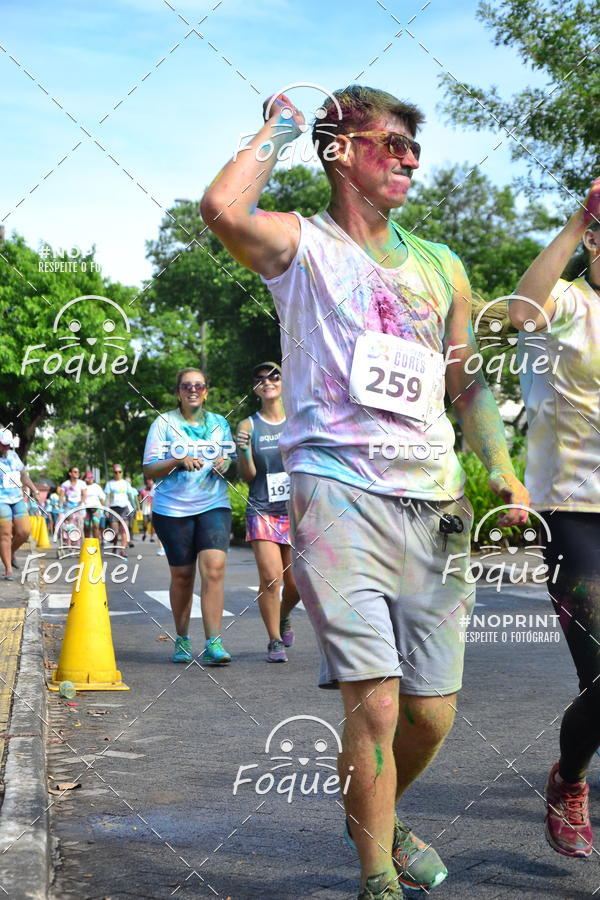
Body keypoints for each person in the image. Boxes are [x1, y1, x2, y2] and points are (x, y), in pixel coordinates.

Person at [201, 85, 529, 900]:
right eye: (390, 143)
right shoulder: (300, 247)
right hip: (336, 495)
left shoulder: (441, 265)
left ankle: (382, 817)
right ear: (340, 151)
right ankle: (376, 877)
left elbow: (469, 388)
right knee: (377, 709)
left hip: (438, 504)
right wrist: (281, 128)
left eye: (414, 147)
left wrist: (504, 472)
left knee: (430, 715)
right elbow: (220, 207)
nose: (409, 158)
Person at [510, 178, 600, 860]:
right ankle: (569, 780)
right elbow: (519, 310)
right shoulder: (568, 301)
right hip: (573, 510)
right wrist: (578, 218)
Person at [143, 368, 235, 665]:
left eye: (198, 385)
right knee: (182, 576)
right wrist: (177, 461)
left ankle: (214, 642)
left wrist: (226, 462)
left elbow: (228, 457)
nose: (193, 390)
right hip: (173, 510)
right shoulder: (164, 423)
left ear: (206, 391)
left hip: (213, 504)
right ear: (178, 392)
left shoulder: (219, 424)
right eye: (186, 386)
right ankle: (182, 639)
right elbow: (149, 469)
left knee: (214, 569)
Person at [237, 361, 300, 663]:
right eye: (260, 378)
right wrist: (243, 451)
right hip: (262, 510)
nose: (268, 381)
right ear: (255, 387)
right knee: (272, 579)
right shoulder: (248, 426)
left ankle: (284, 615)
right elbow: (248, 476)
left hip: (297, 511)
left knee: (298, 583)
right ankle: (274, 640)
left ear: (284, 381)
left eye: (274, 376)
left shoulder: (299, 419)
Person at [0, 429, 37, 580]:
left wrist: (34, 490)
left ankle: (10, 551)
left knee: (24, 531)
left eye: (8, 445)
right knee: (5, 533)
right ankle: (8, 569)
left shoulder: (14, 456)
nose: (6, 448)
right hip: (1, 501)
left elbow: (23, 475)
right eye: (3, 445)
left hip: (17, 498)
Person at [104, 464, 133, 557]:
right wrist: (105, 509)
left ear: (122, 473)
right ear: (113, 473)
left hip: (124, 508)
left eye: (119, 472)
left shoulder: (126, 483)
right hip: (114, 508)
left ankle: (123, 550)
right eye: (115, 472)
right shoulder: (109, 484)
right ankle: (115, 546)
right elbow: (107, 498)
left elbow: (130, 496)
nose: (117, 474)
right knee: (115, 531)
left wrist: (134, 507)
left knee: (124, 530)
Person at [57, 466, 87, 551]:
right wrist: (59, 506)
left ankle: (79, 544)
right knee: (68, 526)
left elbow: (84, 495)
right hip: (68, 508)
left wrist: (80, 503)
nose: (77, 473)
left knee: (79, 526)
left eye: (78, 472)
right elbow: (61, 496)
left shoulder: (82, 483)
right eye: (75, 472)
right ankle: (69, 543)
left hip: (79, 508)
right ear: (70, 473)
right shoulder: (65, 484)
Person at [82, 472, 105, 539]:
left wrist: (104, 509)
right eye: (89, 477)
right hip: (85, 509)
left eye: (92, 477)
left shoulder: (96, 487)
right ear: (85, 478)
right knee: (86, 527)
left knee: (95, 526)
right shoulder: (83, 486)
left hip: (96, 509)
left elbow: (102, 498)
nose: (91, 479)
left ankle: (96, 542)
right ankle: (87, 542)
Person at [138, 477, 156, 542]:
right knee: (145, 523)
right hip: (145, 510)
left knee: (152, 524)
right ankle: (145, 533)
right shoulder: (143, 491)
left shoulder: (154, 491)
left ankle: (152, 537)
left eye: (151, 483)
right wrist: (142, 498)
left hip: (152, 510)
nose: (150, 485)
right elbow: (139, 500)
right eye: (149, 483)